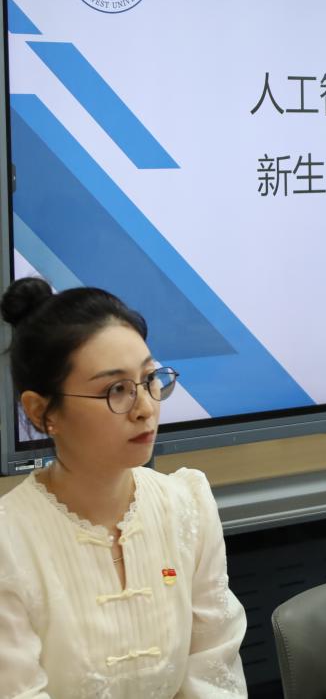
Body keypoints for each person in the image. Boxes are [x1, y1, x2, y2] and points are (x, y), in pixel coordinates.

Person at [0, 278, 247, 697]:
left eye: (150, 379)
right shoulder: (9, 541)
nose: (146, 408)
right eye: (116, 390)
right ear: (42, 412)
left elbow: (213, 673)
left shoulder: (185, 506)